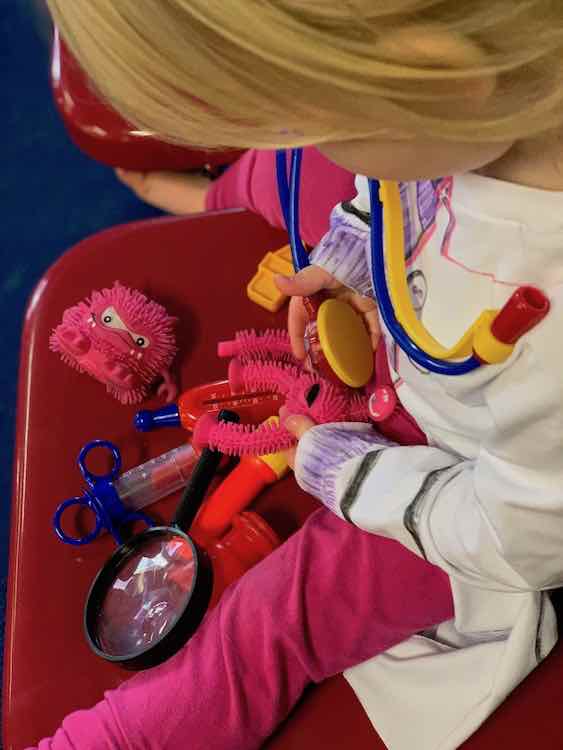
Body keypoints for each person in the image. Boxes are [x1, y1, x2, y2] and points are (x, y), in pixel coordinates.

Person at [33, 1, 563, 748]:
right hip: (432, 323)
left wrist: (347, 473)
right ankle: (209, 195)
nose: (321, 147)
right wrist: (352, 257)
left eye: (311, 121)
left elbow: (517, 535)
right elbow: (398, 185)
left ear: (438, 79)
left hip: (455, 492)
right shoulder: (472, 109)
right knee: (311, 175)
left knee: (269, 627)